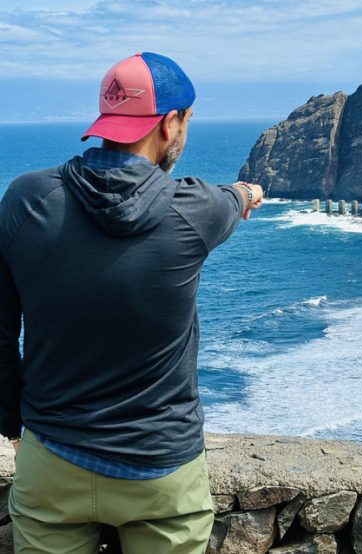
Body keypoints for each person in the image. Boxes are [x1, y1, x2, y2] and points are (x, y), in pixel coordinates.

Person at [0, 51, 263, 554]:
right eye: (187, 121)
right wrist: (250, 192)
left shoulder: (25, 200)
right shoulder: (197, 210)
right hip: (161, 468)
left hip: (51, 459)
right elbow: (235, 199)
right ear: (169, 123)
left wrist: (14, 422)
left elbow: (1, 333)